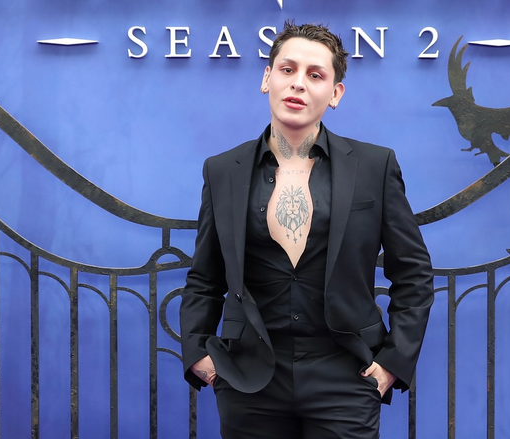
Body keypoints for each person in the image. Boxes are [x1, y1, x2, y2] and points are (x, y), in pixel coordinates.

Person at [180, 20, 434, 439]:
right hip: (248, 378)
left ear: (335, 94)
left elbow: (414, 274)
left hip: (346, 375)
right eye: (287, 69)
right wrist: (198, 354)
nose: (298, 83)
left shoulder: (374, 166)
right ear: (267, 78)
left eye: (315, 75)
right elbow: (205, 277)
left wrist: (391, 364)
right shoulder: (223, 170)